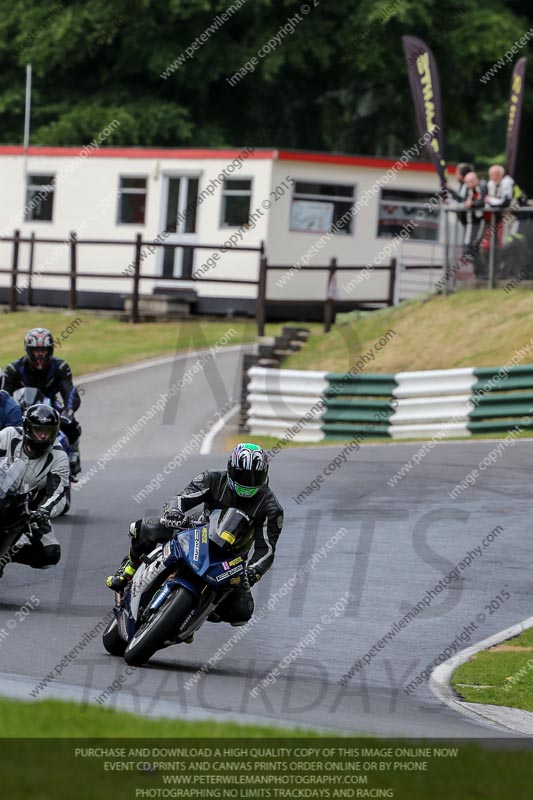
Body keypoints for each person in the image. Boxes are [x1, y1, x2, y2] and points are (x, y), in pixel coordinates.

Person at [107, 443, 284, 628]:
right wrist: (174, 512)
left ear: (265, 474)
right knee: (144, 528)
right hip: (196, 531)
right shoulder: (213, 478)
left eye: (255, 477)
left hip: (231, 561)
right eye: (243, 475)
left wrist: (254, 571)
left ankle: (192, 615)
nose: (248, 482)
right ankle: (129, 568)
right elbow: (181, 498)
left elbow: (266, 549)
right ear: (230, 468)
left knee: (242, 611)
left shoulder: (271, 508)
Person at [3, 328, 82, 478]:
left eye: (44, 350)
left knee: (72, 426)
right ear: (28, 350)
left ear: (51, 350)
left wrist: (68, 412)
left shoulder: (61, 367)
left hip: (50, 406)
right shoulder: (14, 368)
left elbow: (70, 393)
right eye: (36, 350)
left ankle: (73, 455)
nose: (40, 354)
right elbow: (4, 395)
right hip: (21, 407)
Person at [0, 404, 70, 571]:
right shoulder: (8, 435)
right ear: (27, 428)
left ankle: (4, 555)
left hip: (28, 511)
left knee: (50, 553)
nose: (43, 436)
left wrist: (43, 512)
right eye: (38, 430)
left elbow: (59, 493)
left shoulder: (58, 456)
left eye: (49, 431)